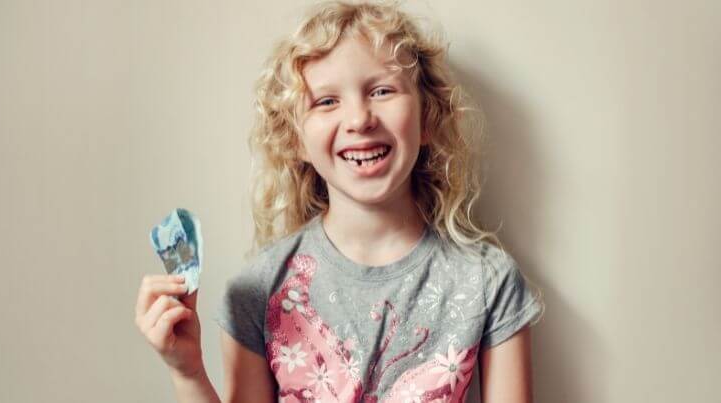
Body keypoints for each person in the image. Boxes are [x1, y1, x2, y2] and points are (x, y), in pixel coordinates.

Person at [134, 1, 546, 402]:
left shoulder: (487, 282)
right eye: (326, 101)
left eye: (382, 90)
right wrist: (185, 371)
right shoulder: (256, 292)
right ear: (295, 140)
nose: (359, 119)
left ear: (428, 119)